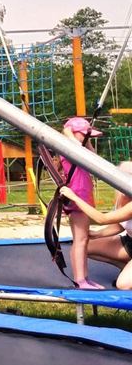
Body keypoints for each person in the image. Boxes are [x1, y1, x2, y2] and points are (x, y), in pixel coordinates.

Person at [61, 160, 132, 290]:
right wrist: (97, 234)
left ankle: (128, 274)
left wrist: (75, 198)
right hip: (129, 243)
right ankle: (127, 266)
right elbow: (120, 224)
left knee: (123, 285)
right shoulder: (122, 196)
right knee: (85, 248)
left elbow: (102, 219)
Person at [58, 115, 103, 289]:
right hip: (76, 198)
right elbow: (78, 147)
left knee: (83, 239)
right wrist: (68, 132)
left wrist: (87, 139)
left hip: (83, 197)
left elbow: (94, 159)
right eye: (84, 135)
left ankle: (84, 278)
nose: (87, 139)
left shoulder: (79, 149)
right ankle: (80, 280)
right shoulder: (69, 149)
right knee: (80, 239)